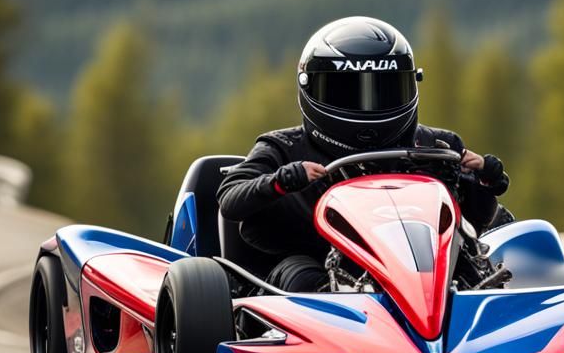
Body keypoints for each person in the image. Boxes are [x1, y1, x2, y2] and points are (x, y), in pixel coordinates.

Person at [217, 16, 510, 289]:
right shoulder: (284, 148)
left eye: (382, 91)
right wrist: (281, 181)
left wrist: (485, 183)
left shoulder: (438, 147)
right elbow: (229, 198)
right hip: (313, 272)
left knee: (516, 251)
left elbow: (475, 222)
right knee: (302, 277)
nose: (367, 107)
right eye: (347, 92)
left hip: (424, 275)